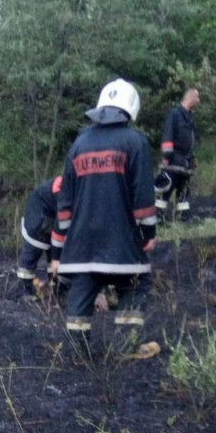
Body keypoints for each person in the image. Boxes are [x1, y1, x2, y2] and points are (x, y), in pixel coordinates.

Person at [56, 79, 157, 356]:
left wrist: (65, 238)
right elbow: (143, 197)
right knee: (136, 282)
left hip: (81, 243)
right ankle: (126, 345)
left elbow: (64, 199)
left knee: (83, 285)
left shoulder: (79, 144)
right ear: (130, 108)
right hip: (120, 241)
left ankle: (76, 351)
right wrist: (148, 234)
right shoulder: (135, 142)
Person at [155, 86, 200, 222]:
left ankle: (183, 217)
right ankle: (158, 217)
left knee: (183, 191)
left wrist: (192, 159)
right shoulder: (175, 115)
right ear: (191, 97)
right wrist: (166, 156)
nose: (199, 100)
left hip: (185, 163)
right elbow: (168, 135)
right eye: (197, 97)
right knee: (166, 188)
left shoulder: (189, 117)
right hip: (173, 161)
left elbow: (191, 140)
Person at [17, 176, 64, 296]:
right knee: (32, 252)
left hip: (52, 215)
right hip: (39, 215)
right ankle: (24, 289)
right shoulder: (64, 187)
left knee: (55, 252)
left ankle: (56, 287)